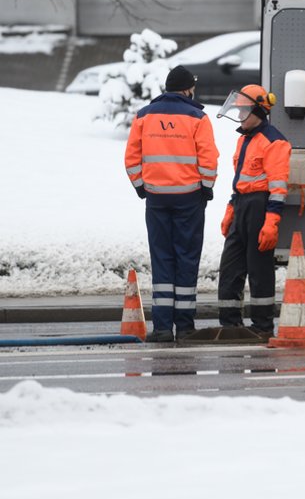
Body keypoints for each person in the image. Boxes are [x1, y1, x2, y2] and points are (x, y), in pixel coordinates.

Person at [124, 66, 219, 343]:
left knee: (162, 259)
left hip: (156, 199)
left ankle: (163, 328)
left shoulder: (143, 116)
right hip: (189, 199)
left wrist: (142, 186)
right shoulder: (198, 117)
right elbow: (209, 159)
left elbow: (131, 158)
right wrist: (207, 188)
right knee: (186, 259)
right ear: (188, 89)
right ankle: (185, 327)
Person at [216, 84, 292, 338]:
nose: (238, 116)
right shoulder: (244, 139)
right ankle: (229, 325)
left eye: (242, 111)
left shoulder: (274, 141)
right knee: (230, 268)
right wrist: (230, 208)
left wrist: (271, 221)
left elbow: (278, 186)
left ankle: (262, 326)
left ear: (257, 110)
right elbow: (239, 178)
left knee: (259, 270)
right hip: (241, 204)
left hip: (260, 206)